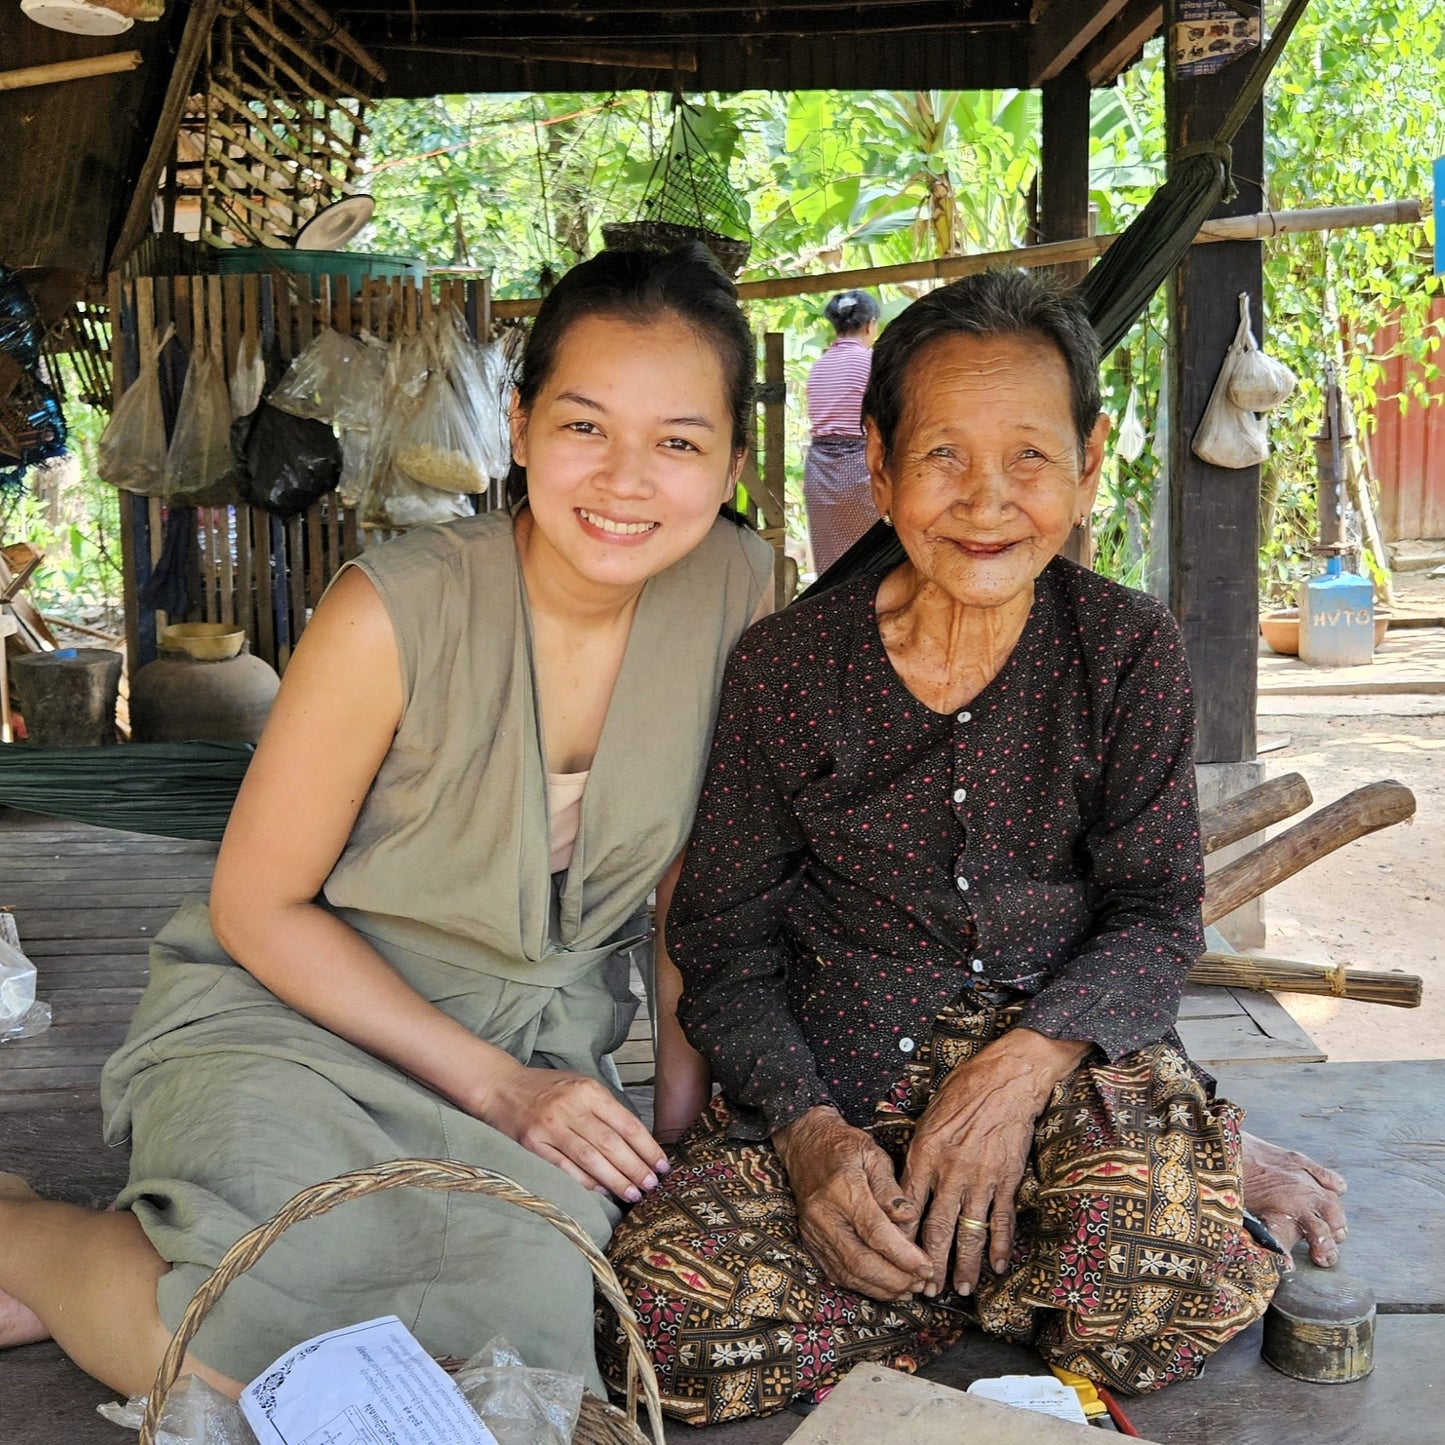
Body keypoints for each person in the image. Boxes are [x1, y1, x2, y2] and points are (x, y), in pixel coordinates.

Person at [0, 244, 772, 1401]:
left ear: (729, 462)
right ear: (516, 425)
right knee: (252, 1367)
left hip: (540, 1042)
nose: (623, 479)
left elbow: (686, 891)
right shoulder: (392, 607)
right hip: (294, 1014)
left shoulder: (743, 589)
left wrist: (678, 1116)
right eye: (583, 426)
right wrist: (498, 1092)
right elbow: (256, 907)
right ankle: (27, 1233)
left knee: (514, 1365)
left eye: (677, 441)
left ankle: (78, 1274)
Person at [600, 268, 1348, 1425]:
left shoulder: (1125, 649)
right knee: (660, 1320)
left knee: (1151, 1287)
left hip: (1063, 1070)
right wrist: (805, 1141)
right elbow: (723, 938)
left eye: (1030, 457)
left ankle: (1009, 1252)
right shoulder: (789, 668)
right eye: (943, 456)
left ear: (1088, 465)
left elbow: (1154, 914)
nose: (986, 500)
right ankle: (986, 1272)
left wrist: (1014, 1071)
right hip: (840, 1070)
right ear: (884, 469)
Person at [802, 289, 882, 574]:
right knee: (873, 557)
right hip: (860, 465)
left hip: (821, 470)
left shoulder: (819, 367)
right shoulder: (872, 364)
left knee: (832, 557)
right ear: (871, 324)